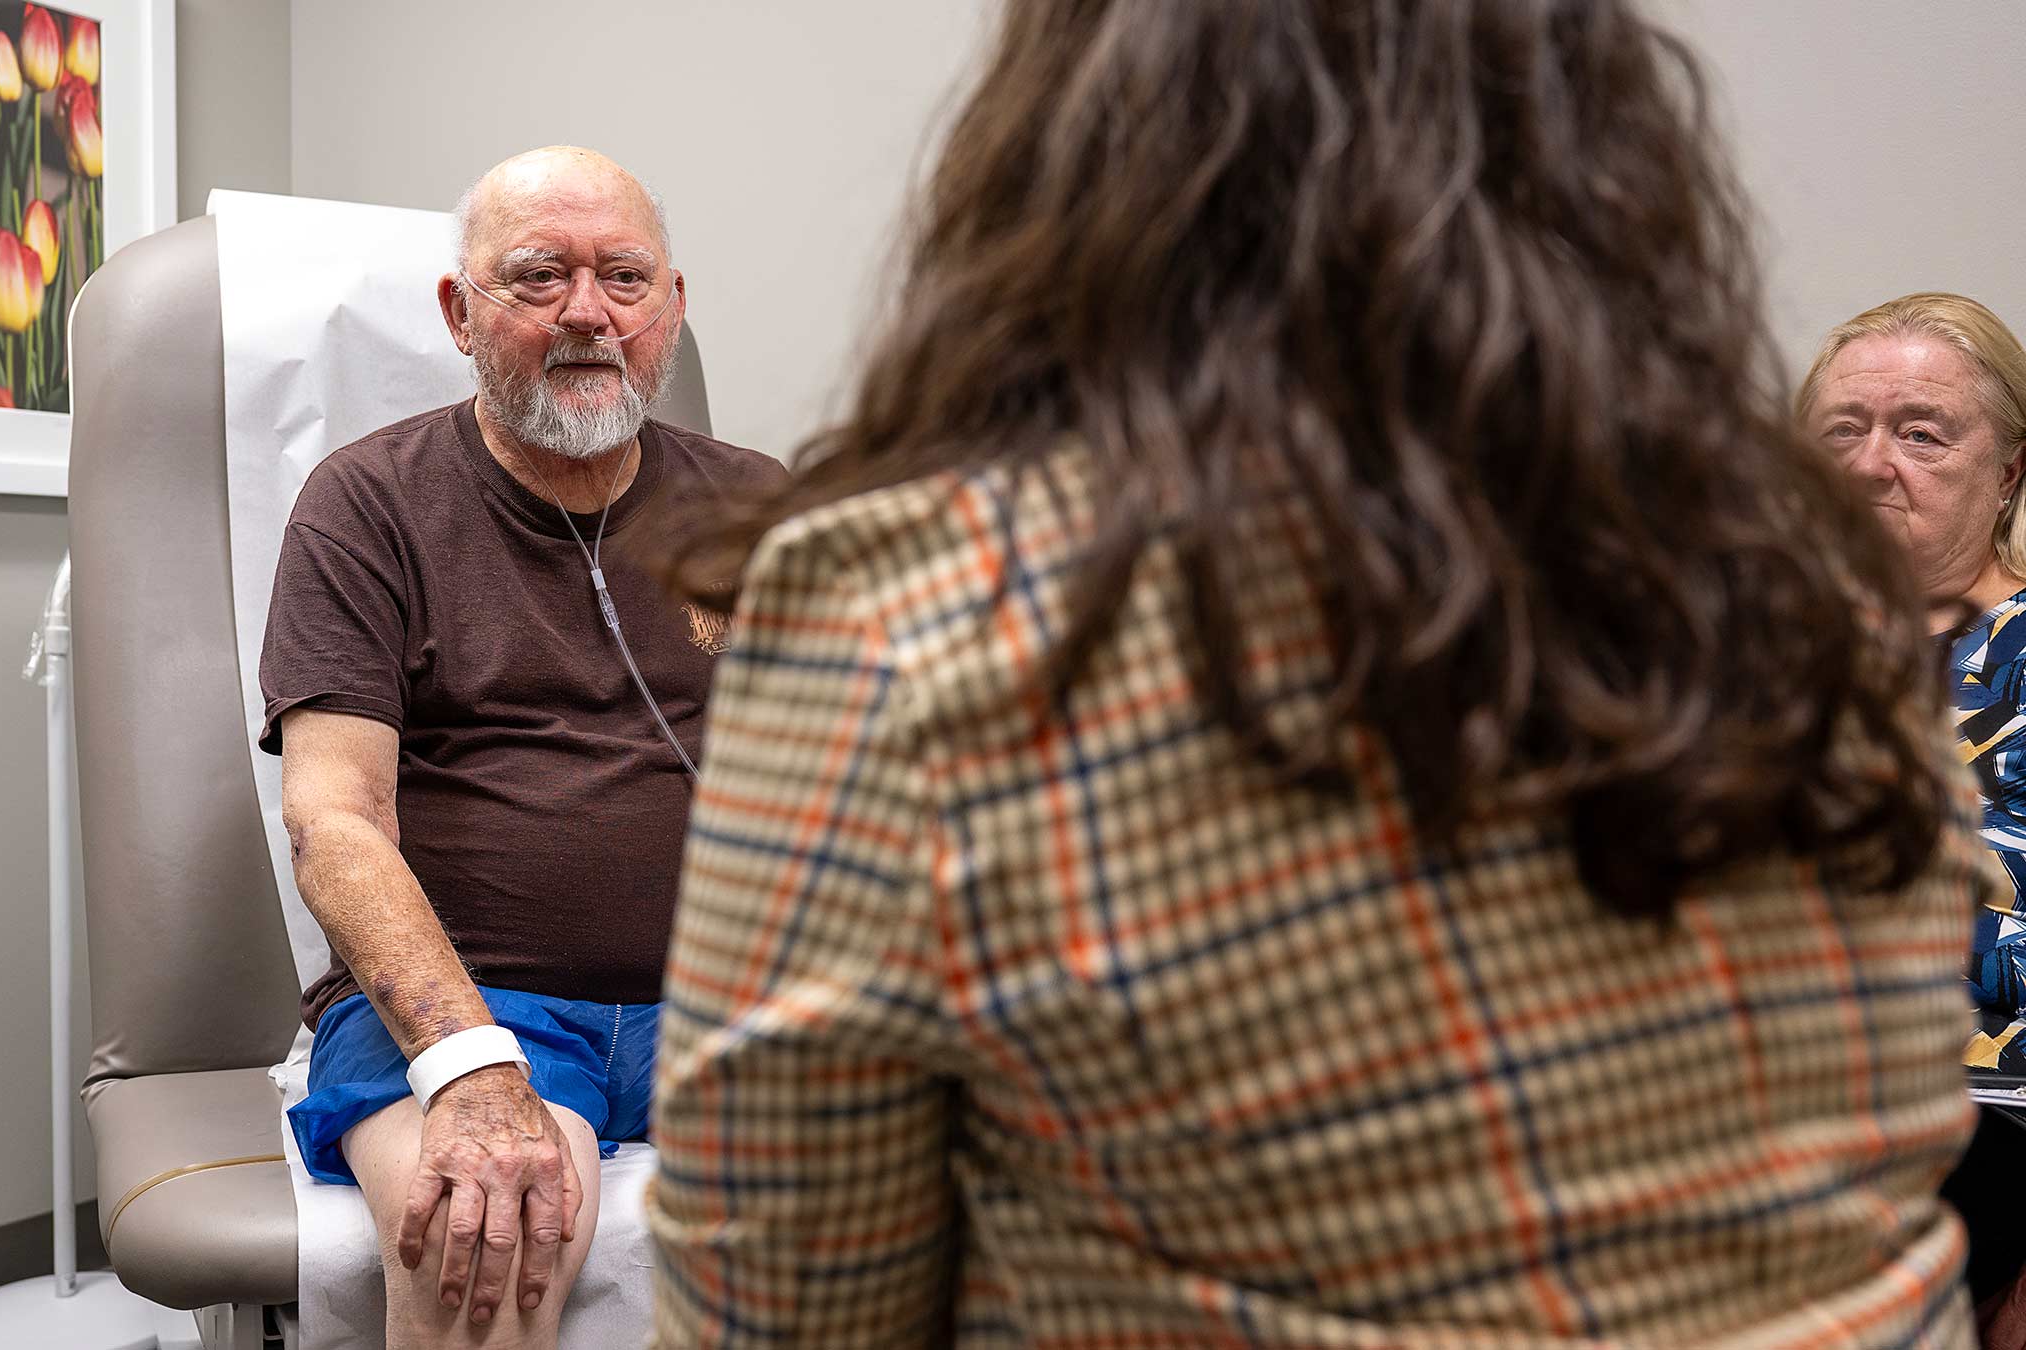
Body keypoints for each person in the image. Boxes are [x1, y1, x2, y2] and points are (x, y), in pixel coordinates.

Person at [645, 3, 1995, 1345]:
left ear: (1078, 164)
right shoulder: (1822, 594)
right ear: (1607, 161)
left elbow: (781, 1314)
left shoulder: (915, 617)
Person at [259, 146, 780, 1349]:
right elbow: (333, 816)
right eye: (539, 277)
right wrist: (468, 1062)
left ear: (672, 307)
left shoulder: (757, 508)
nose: (588, 313)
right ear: (461, 312)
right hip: (482, 996)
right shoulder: (368, 506)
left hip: (729, 999)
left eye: (625, 278)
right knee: (490, 1232)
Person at [1804, 291, 2026, 1340]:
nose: (1869, 464)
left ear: (2011, 475)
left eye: (1921, 434)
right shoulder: (1736, 665)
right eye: (1841, 431)